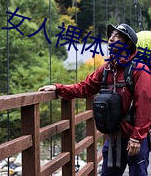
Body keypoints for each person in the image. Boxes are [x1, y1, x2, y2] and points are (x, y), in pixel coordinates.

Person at [39, 23, 151, 176]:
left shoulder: (140, 70)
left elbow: (145, 105)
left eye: (117, 36)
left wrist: (137, 138)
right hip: (114, 137)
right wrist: (58, 88)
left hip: (134, 137)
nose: (111, 39)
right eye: (111, 36)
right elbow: (85, 87)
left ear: (128, 44)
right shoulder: (106, 69)